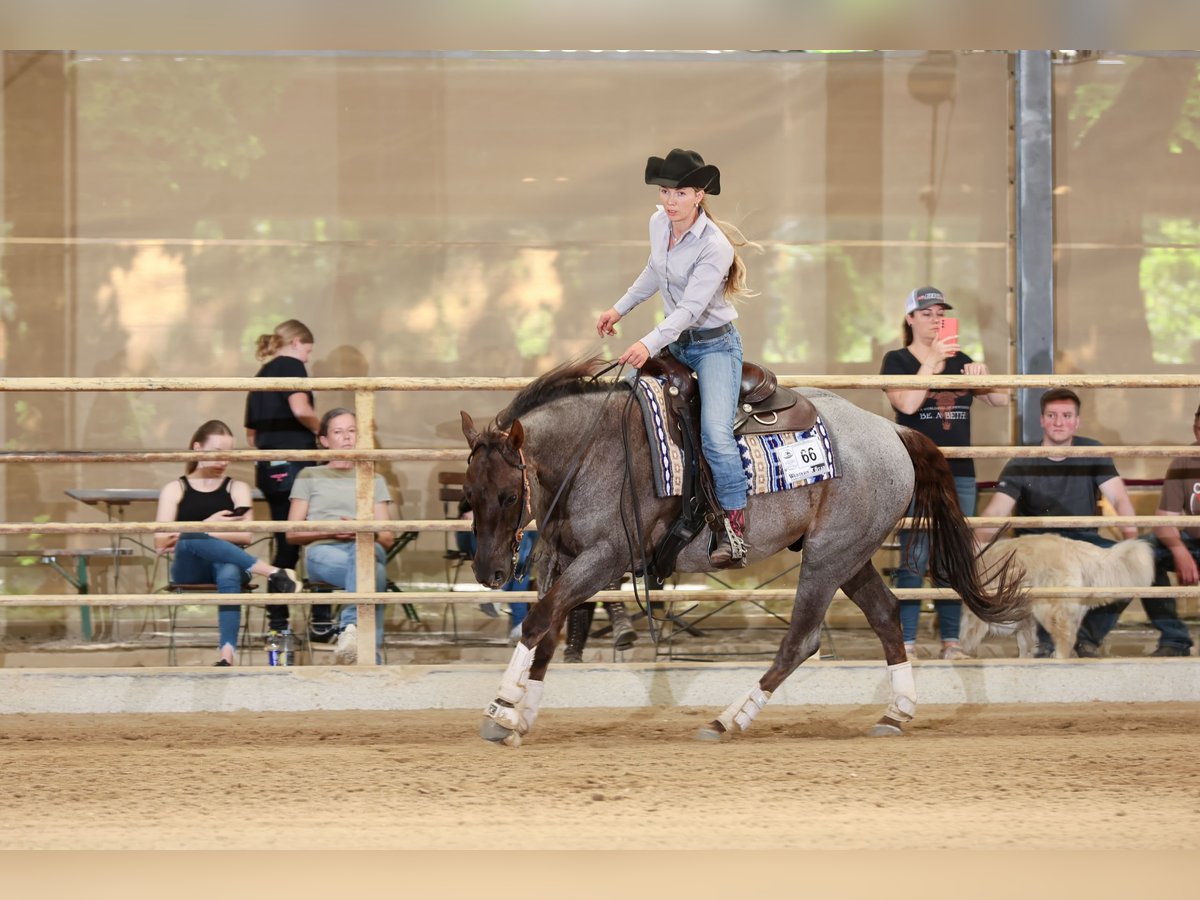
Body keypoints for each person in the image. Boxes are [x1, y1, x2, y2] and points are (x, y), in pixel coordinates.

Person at [596, 148, 755, 567]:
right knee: (626, 409)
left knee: (715, 435)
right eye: (665, 191)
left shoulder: (715, 246)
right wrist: (619, 308)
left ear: (700, 195)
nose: (670, 201)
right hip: (677, 343)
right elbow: (654, 271)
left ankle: (734, 530)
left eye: (680, 193)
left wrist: (647, 343)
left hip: (714, 347)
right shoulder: (658, 224)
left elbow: (688, 310)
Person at [975, 387, 1191, 657]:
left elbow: (1119, 498)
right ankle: (1046, 643)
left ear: (1076, 421)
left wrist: (1131, 540)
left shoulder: (1091, 451)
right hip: (1038, 546)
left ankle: (1095, 638)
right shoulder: (1022, 460)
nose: (1059, 422)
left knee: (1140, 559)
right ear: (1041, 420)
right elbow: (997, 510)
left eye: (1066, 416)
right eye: (1052, 415)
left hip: (1083, 541)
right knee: (1050, 580)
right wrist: (976, 547)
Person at [880, 286, 1009, 660]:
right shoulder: (898, 360)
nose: (935, 319)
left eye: (940, 313)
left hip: (960, 473)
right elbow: (907, 404)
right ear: (910, 319)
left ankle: (951, 641)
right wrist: (932, 361)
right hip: (916, 471)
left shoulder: (960, 359)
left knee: (953, 556)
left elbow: (1001, 399)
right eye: (926, 313)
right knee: (914, 557)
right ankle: (906, 643)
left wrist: (983, 375)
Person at [155, 420, 297, 666]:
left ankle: (227, 655)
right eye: (217, 453)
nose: (224, 461)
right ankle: (272, 572)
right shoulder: (174, 488)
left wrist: (194, 532)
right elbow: (160, 541)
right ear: (197, 448)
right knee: (191, 535)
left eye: (228, 454)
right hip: (189, 568)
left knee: (226, 566)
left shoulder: (237, 488)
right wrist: (207, 525)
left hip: (232, 564)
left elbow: (245, 536)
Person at [243, 319, 333, 640]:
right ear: (296, 342)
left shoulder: (261, 375)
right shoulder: (291, 366)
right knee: (315, 537)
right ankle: (320, 621)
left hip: (269, 468)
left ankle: (278, 620)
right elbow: (300, 408)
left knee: (285, 542)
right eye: (308, 350)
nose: (307, 357)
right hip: (296, 465)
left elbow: (251, 436)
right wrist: (325, 433)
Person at [286, 408, 394, 665]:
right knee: (375, 575)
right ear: (324, 440)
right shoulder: (309, 476)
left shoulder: (374, 479)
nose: (346, 437)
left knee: (365, 557)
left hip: (367, 547)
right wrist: (332, 530)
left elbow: (387, 538)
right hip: (324, 552)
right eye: (338, 431)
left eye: (352, 430)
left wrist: (361, 530)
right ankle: (371, 661)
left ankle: (350, 629)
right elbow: (292, 533)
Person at [1137, 404, 1200, 656]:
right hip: (1193, 544)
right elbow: (1164, 519)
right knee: (1142, 551)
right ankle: (1175, 639)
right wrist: (1179, 550)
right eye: (1199, 427)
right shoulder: (1184, 460)